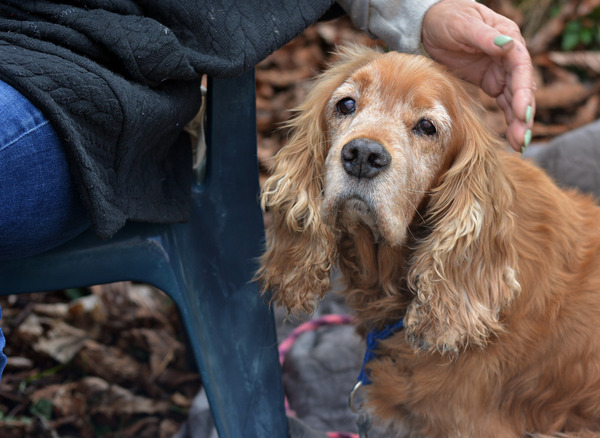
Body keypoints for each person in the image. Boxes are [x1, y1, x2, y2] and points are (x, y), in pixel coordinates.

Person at [0, 0, 535, 380]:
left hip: (63, 69)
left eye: (424, 127)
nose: (364, 148)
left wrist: (421, 10)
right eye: (347, 108)